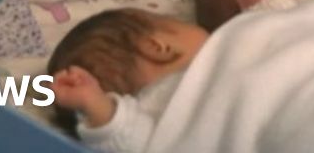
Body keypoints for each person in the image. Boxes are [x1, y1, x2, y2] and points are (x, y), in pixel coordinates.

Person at [47, 8, 208, 152]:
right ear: (158, 47)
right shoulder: (169, 96)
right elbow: (141, 141)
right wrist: (99, 107)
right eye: (180, 22)